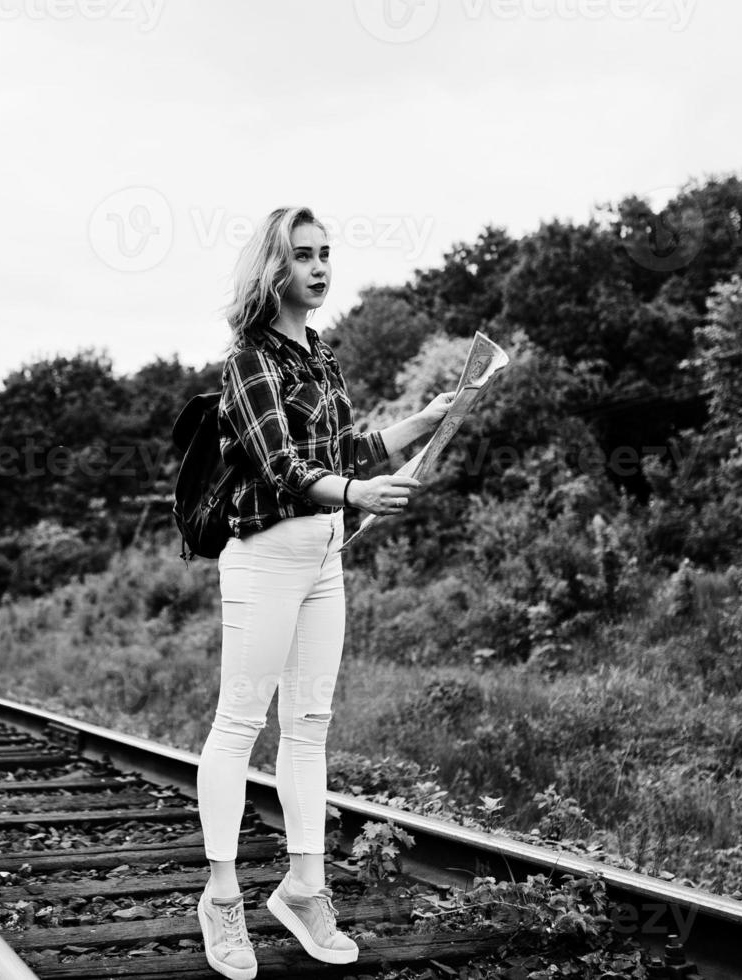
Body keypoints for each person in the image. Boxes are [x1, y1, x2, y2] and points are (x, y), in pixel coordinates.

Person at [194, 205, 458, 980]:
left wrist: (423, 421)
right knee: (239, 724)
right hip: (265, 555)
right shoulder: (249, 362)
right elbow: (282, 466)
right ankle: (220, 900)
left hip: (323, 559)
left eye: (325, 254)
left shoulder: (321, 356)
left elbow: (346, 446)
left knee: (308, 725)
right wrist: (358, 494)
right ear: (273, 269)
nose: (319, 267)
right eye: (302, 255)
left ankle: (304, 889)